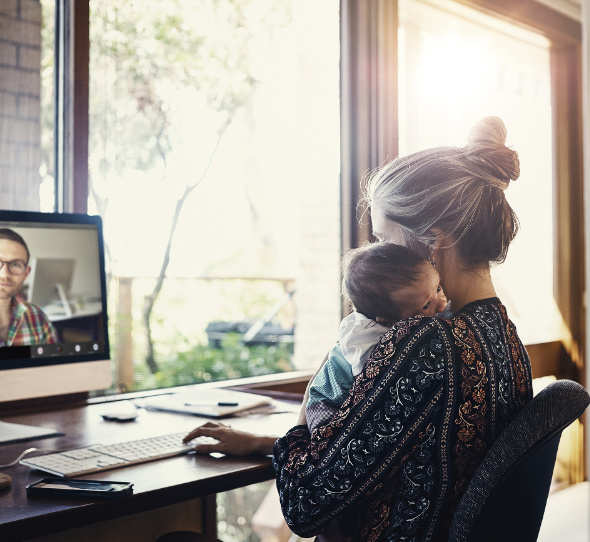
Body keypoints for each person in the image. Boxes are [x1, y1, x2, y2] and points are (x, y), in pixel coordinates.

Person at [181, 116, 533, 542]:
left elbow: (304, 507)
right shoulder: (503, 337)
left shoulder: (424, 342)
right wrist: (265, 444)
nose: (380, 257)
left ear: (434, 240)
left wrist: (304, 411)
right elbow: (394, 450)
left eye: (386, 240)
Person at [306, 241, 448, 433]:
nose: (442, 304)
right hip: (328, 402)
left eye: (438, 288)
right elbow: (372, 384)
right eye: (426, 306)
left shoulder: (417, 311)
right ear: (388, 321)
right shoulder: (367, 342)